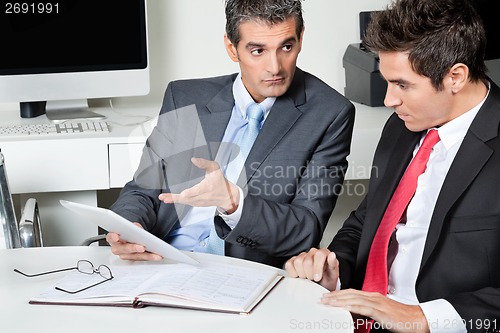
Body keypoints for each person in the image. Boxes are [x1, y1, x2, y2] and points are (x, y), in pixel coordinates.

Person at [285, 0, 500, 332]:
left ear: (455, 76)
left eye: (403, 84)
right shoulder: (401, 126)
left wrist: (424, 318)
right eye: (387, 82)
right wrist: (335, 267)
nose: (389, 100)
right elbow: (364, 222)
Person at [106, 0, 355, 268]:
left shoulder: (330, 113)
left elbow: (306, 229)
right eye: (258, 51)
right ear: (231, 48)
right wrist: (128, 227)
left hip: (243, 275)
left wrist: (234, 203)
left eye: (286, 47)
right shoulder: (184, 97)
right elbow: (143, 189)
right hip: (160, 261)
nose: (275, 67)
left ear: (300, 38)